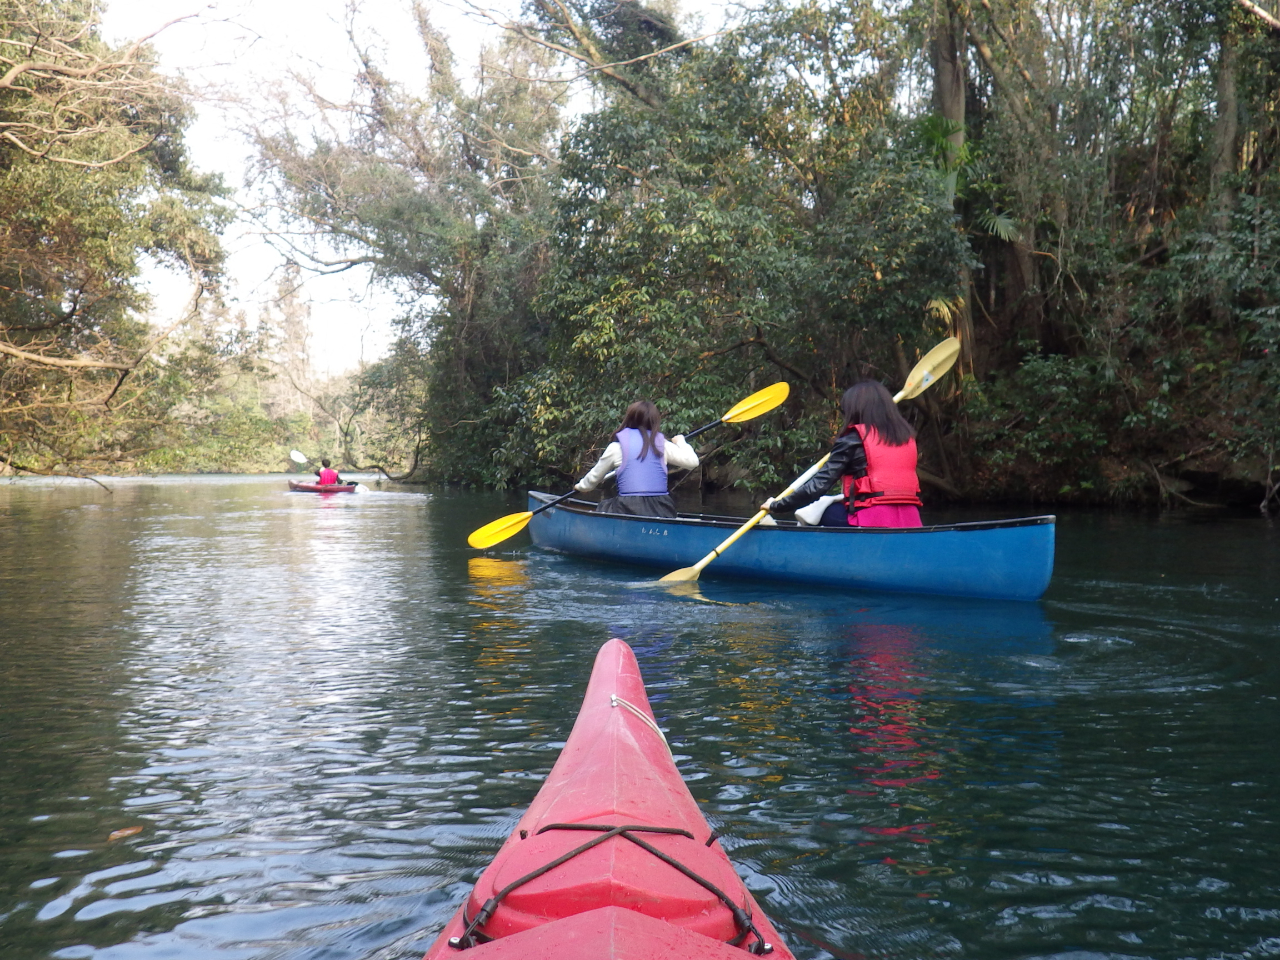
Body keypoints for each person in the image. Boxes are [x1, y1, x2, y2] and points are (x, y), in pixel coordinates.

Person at [763, 380, 922, 528]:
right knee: (832, 503)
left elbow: (817, 487)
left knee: (810, 511)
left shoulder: (853, 440)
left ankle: (793, 543)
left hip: (872, 520)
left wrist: (777, 505)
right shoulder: (906, 438)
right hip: (911, 521)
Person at [575, 400, 699, 518]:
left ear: (628, 419)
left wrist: (580, 487)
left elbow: (591, 481)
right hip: (662, 509)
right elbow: (693, 462)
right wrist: (681, 442)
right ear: (655, 421)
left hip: (628, 508)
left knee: (604, 506)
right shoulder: (663, 445)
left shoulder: (616, 447)